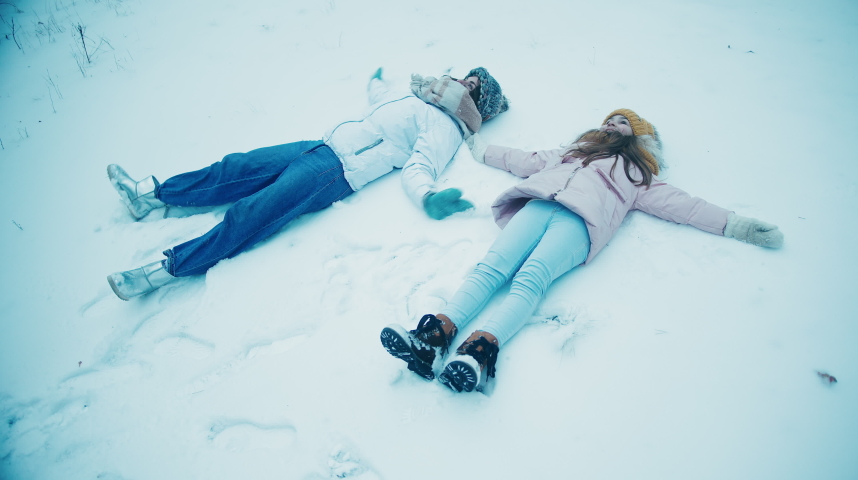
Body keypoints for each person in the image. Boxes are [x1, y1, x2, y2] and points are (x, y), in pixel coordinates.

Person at [380, 108, 784, 393]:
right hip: (538, 205)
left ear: (639, 135)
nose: (611, 123)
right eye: (609, 118)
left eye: (622, 121)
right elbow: (528, 160)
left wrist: (738, 224)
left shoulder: (637, 174)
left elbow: (684, 206)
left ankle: (478, 351)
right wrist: (482, 148)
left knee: (530, 280)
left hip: (578, 224)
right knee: (490, 269)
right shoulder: (574, 153)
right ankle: (434, 337)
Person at [106, 67, 509, 300]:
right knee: (235, 167)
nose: (465, 82)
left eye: (474, 86)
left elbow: (418, 166)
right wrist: (377, 85)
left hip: (334, 172)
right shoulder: (420, 98)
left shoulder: (446, 126)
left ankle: (164, 271)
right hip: (318, 146)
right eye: (467, 76)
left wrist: (429, 197)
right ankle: (150, 195)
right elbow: (379, 107)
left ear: (478, 107)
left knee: (250, 214)